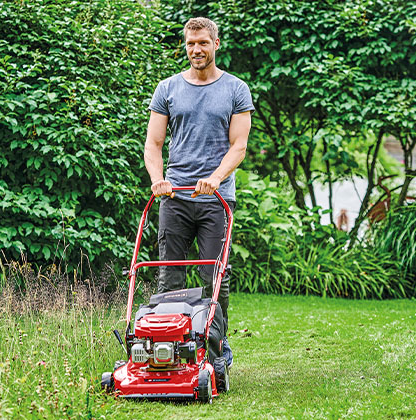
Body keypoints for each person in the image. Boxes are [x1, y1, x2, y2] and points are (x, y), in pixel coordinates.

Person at [144, 17, 254, 368]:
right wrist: (158, 179)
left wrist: (216, 178)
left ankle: (216, 349)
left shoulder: (236, 89)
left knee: (215, 276)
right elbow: (154, 144)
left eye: (203, 43)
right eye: (191, 44)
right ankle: (167, 348)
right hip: (174, 197)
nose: (196, 50)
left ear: (216, 44)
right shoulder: (168, 88)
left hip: (216, 200)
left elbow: (239, 146)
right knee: (169, 276)